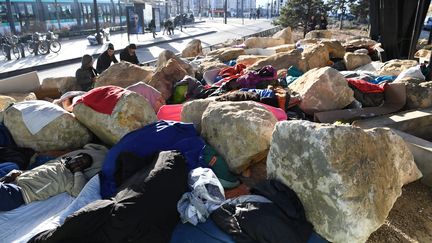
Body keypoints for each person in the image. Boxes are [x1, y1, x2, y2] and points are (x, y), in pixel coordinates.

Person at [0, 144, 108, 212]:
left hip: (18, 194)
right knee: (11, 166)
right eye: (79, 158)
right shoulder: (56, 162)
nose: (78, 162)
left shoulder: (69, 179)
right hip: (12, 183)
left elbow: (78, 192)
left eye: (82, 164)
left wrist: (77, 172)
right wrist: (16, 173)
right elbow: (35, 173)